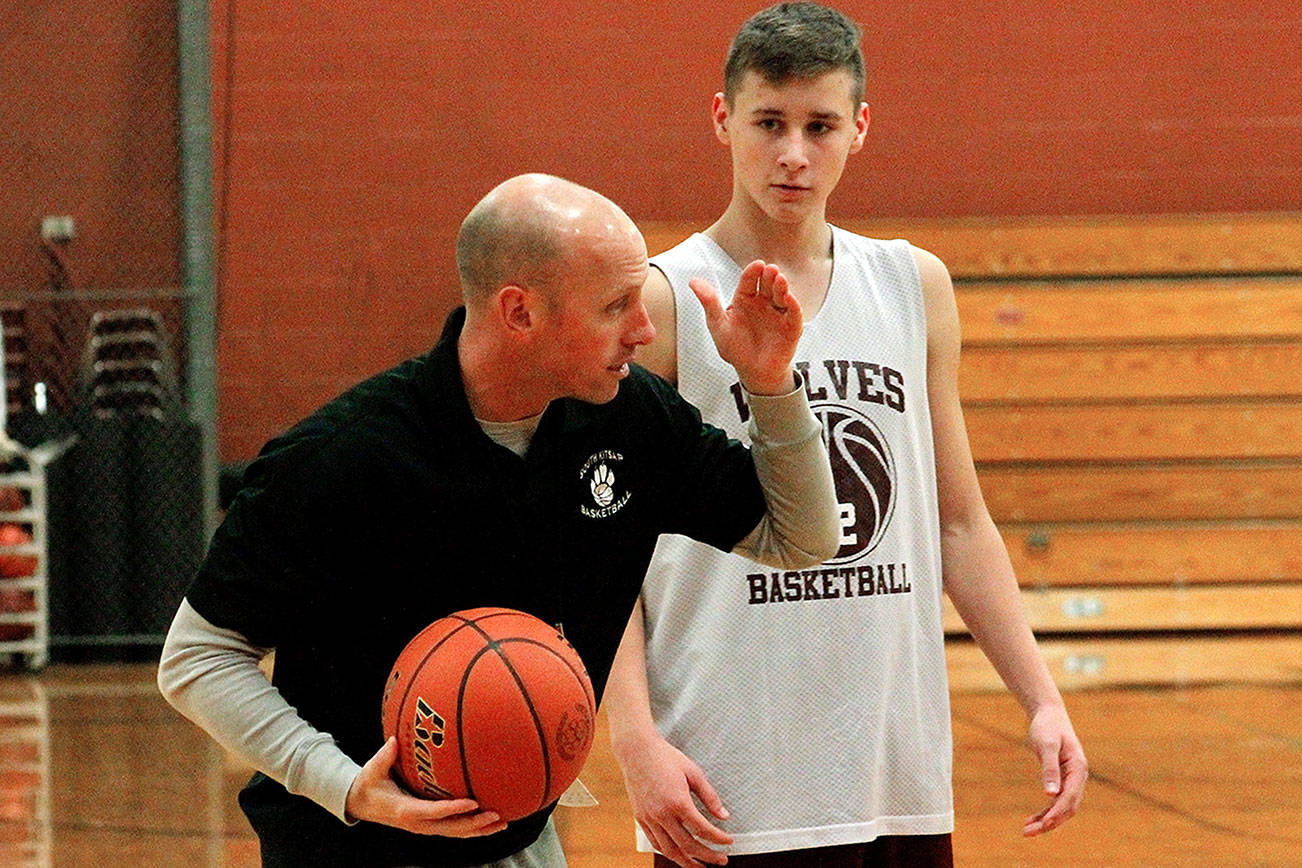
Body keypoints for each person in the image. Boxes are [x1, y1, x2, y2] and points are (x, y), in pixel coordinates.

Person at [157, 173, 842, 867]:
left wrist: (770, 383)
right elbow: (197, 657)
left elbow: (804, 539)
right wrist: (341, 783)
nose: (646, 330)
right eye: (616, 306)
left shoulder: (630, 420)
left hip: (523, 842)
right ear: (519, 313)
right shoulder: (341, 459)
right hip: (348, 848)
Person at [603, 4, 1088, 866]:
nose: (793, 154)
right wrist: (634, 742)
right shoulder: (666, 299)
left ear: (859, 129)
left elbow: (959, 522)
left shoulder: (912, 284)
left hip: (893, 772)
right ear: (723, 118)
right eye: (769, 123)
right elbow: (606, 550)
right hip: (727, 774)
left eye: (820, 126)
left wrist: (1041, 696)